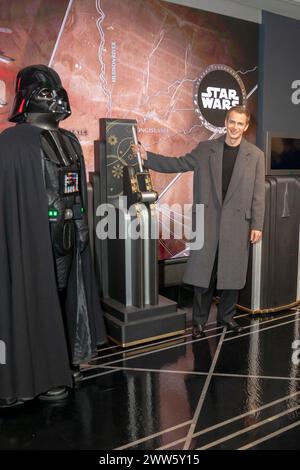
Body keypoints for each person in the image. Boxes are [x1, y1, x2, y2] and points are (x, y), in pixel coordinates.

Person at [0, 65, 106, 408]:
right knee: (32, 300)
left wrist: (81, 225)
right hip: (31, 242)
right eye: (47, 93)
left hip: (69, 234)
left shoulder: (70, 140)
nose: (57, 99)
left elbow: (74, 190)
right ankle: (29, 376)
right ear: (27, 99)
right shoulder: (13, 143)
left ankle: (59, 364)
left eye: (58, 92)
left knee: (65, 299)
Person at [131, 106, 265, 338]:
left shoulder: (255, 155)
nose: (234, 127)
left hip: (237, 224)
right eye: (231, 122)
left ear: (245, 126)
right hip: (208, 220)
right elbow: (179, 163)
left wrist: (257, 224)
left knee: (232, 275)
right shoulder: (206, 149)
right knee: (204, 274)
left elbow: (258, 194)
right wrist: (147, 157)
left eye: (239, 124)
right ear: (226, 122)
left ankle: (226, 318)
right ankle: (199, 322)